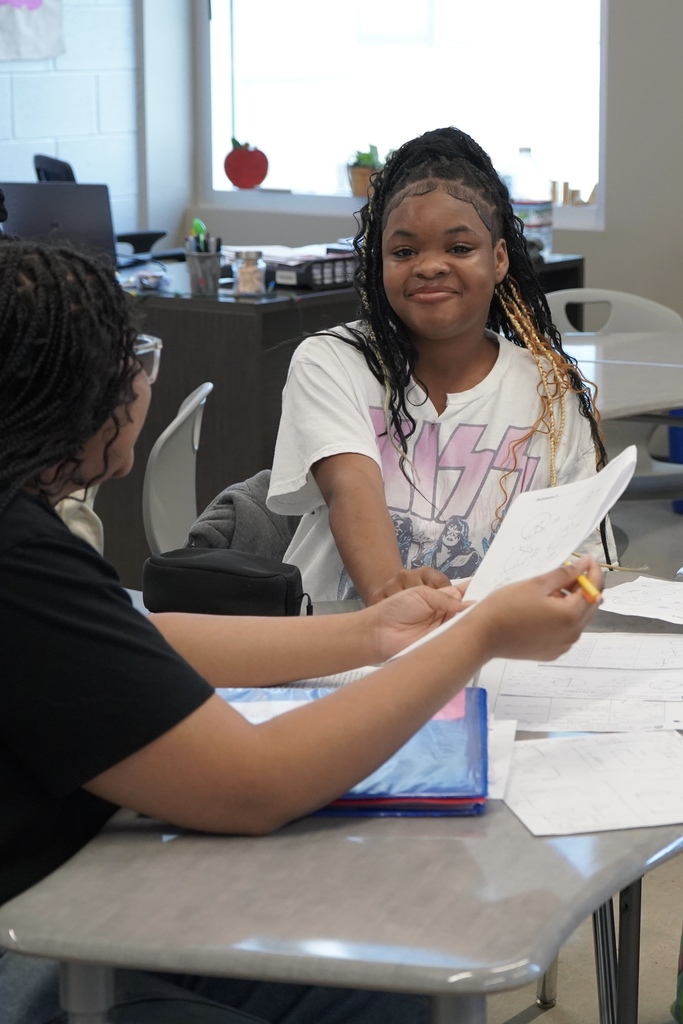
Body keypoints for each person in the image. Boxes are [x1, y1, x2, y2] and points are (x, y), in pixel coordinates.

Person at [0, 238, 603, 1024]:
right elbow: (253, 783)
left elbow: (130, 634)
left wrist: (369, 633)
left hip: (66, 884)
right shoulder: (17, 554)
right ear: (80, 397)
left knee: (390, 983)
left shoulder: (24, 534)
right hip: (36, 938)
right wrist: (478, 633)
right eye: (133, 364)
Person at [267, 126, 615, 605]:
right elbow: (350, 490)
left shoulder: (551, 391)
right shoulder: (333, 361)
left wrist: (576, 595)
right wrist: (392, 595)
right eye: (404, 251)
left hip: (491, 650)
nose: (429, 266)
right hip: (338, 640)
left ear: (498, 259)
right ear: (379, 262)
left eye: (458, 248)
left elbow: (584, 559)